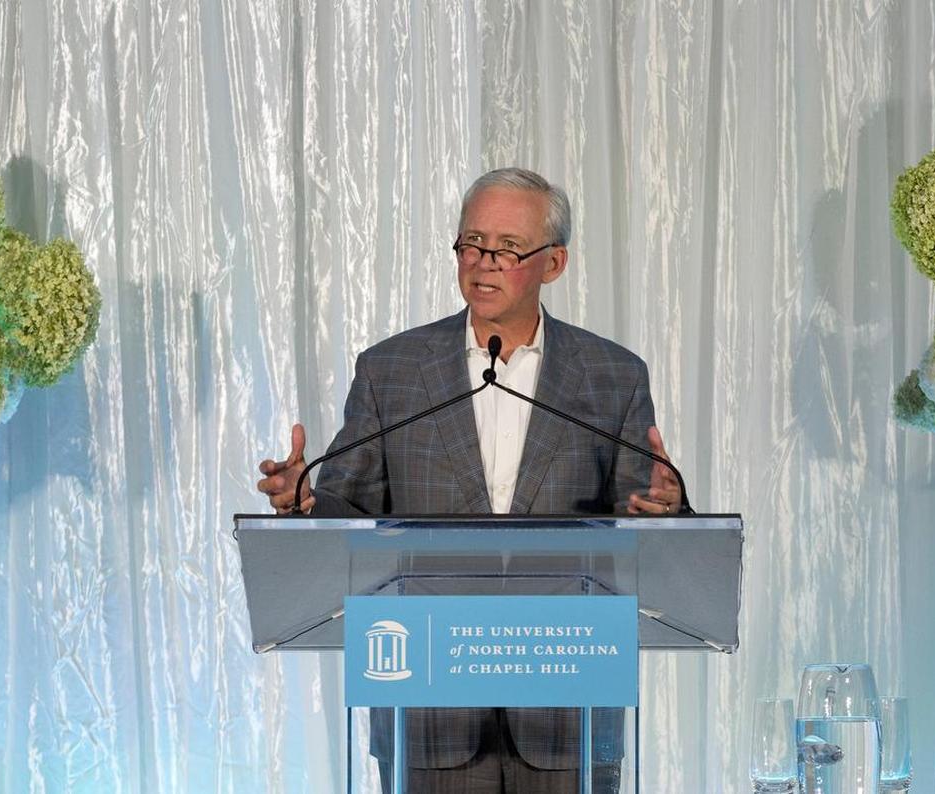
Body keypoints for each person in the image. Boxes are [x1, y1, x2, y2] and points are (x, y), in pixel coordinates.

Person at [257, 168, 682, 793]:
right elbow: (348, 501)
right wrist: (305, 499)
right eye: (471, 244)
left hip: (568, 711)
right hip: (429, 709)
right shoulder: (392, 370)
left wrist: (659, 513)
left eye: (507, 248)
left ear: (553, 263)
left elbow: (634, 519)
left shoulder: (612, 375)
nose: (482, 262)